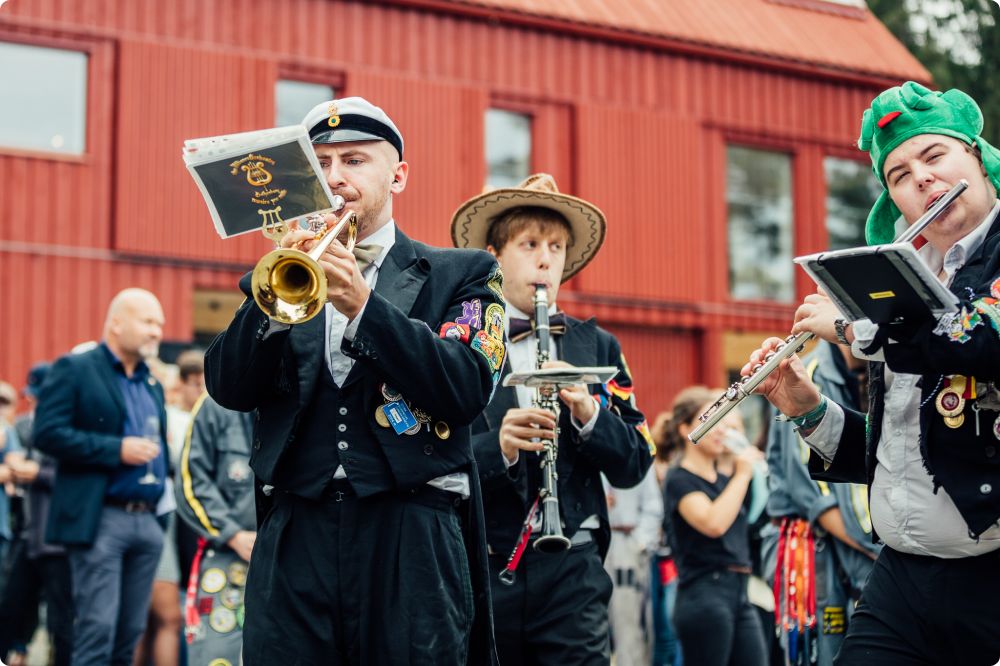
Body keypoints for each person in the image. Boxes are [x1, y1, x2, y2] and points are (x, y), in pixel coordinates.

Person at [205, 96, 503, 665]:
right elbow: (228, 388)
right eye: (321, 164)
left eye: (355, 161)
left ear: (399, 175)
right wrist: (266, 307)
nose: (336, 178)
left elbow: (466, 387)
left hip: (410, 532)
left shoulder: (462, 273)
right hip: (298, 528)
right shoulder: (277, 273)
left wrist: (366, 306)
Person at [747, 81, 1000, 664]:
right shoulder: (900, 276)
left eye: (935, 156)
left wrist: (858, 326)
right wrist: (808, 410)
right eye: (899, 174)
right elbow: (906, 454)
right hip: (900, 580)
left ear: (979, 159)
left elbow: (980, 338)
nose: (922, 179)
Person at [451, 173, 654, 664]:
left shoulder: (598, 346)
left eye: (557, 247)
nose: (546, 258)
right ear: (496, 257)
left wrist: (589, 411)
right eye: (530, 244)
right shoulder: (459, 336)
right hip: (485, 562)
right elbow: (433, 455)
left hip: (574, 568)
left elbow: (636, 462)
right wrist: (500, 447)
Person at [34, 288, 169, 666]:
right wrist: (116, 449)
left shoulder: (151, 382)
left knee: (129, 636)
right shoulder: (76, 368)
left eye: (159, 323)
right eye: (148, 322)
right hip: (101, 518)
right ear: (116, 322)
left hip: (148, 521)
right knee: (97, 632)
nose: (157, 331)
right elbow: (46, 433)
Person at [761, 341, 880, 666]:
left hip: (862, 549)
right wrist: (886, 547)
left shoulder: (883, 368)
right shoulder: (807, 375)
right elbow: (817, 500)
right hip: (816, 551)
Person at [662, 386, 767, 666]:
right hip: (705, 593)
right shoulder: (679, 479)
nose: (719, 429)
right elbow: (713, 523)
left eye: (721, 420)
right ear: (686, 429)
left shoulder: (724, 479)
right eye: (709, 420)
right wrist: (743, 475)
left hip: (739, 590)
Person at [0, 363, 73, 666]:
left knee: (62, 621)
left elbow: (76, 477)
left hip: (58, 540)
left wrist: (36, 473)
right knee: (10, 609)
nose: (35, 403)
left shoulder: (68, 425)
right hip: (30, 534)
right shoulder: (25, 425)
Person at [134, 350, 205, 666]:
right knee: (163, 617)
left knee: (151, 620)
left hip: (176, 525)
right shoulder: (165, 416)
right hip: (159, 519)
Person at [174, 394, 255, 666]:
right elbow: (190, 480)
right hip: (227, 553)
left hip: (288, 554)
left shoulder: (302, 393)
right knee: (218, 654)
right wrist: (232, 534)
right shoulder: (214, 404)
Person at [603, 468, 663, 666]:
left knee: (628, 620)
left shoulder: (635, 450)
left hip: (625, 542)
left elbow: (653, 506)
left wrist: (639, 543)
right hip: (591, 544)